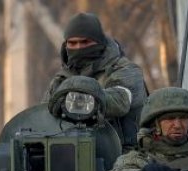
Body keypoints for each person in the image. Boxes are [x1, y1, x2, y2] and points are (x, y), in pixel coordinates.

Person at [42, 12, 146, 150]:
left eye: (85, 42)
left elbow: (120, 101)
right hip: (69, 152)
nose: (78, 47)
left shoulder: (125, 70)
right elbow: (43, 116)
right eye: (72, 43)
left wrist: (78, 97)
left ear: (99, 42)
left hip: (124, 153)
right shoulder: (61, 80)